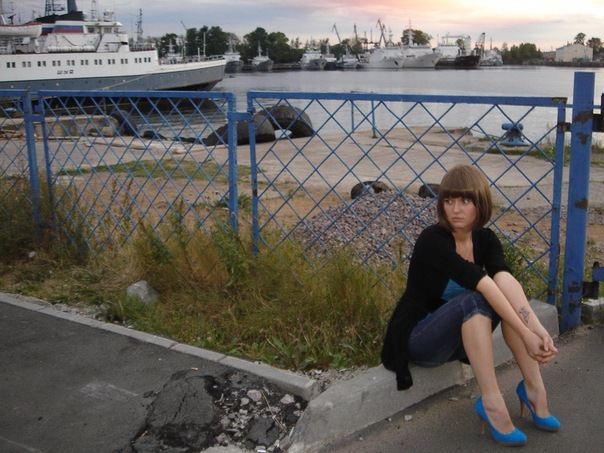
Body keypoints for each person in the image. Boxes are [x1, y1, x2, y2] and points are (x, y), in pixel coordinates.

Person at [381, 164, 560, 446]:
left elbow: (504, 280)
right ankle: (492, 403)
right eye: (449, 200)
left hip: (461, 339)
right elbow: (482, 284)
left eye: (465, 201)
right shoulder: (432, 240)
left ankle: (534, 390)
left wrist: (537, 329)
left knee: (504, 295)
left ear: (480, 203)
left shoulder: (485, 239)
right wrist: (526, 335)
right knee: (476, 299)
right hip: (421, 339)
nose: (455, 209)